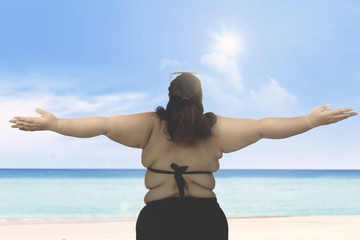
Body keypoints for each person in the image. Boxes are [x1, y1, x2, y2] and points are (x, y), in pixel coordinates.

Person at [9, 72, 357, 240]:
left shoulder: (149, 125)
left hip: (158, 220)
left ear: (171, 95)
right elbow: (265, 127)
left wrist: (54, 124)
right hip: (205, 219)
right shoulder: (217, 128)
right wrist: (309, 121)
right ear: (200, 97)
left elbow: (101, 124)